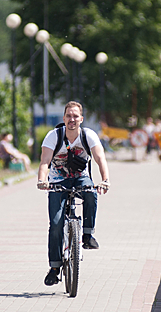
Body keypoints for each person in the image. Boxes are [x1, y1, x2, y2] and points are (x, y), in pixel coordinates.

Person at [37, 101, 110, 286]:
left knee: (91, 192)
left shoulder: (88, 135)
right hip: (57, 181)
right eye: (69, 116)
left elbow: (100, 158)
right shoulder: (54, 136)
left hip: (80, 178)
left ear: (81, 119)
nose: (72, 119)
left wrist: (105, 179)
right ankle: (54, 268)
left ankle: (87, 234)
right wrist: (42, 180)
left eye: (75, 116)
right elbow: (45, 161)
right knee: (55, 224)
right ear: (64, 118)